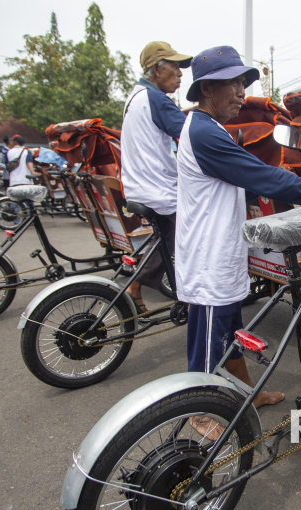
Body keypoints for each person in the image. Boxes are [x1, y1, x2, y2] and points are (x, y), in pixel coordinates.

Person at [176, 45, 301, 426]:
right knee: (209, 344)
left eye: (244, 82)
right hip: (208, 261)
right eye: (233, 83)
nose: (242, 92)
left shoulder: (211, 128)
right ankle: (201, 414)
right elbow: (261, 176)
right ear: (207, 89)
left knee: (232, 332)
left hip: (222, 253)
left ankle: (248, 394)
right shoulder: (204, 132)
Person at [120, 41, 192, 313]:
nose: (181, 74)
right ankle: (194, 298)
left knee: (165, 238)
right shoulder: (155, 99)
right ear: (156, 68)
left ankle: (136, 287)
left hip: (141, 187)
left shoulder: (135, 97)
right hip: (159, 190)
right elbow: (192, 135)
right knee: (193, 239)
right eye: (175, 67)